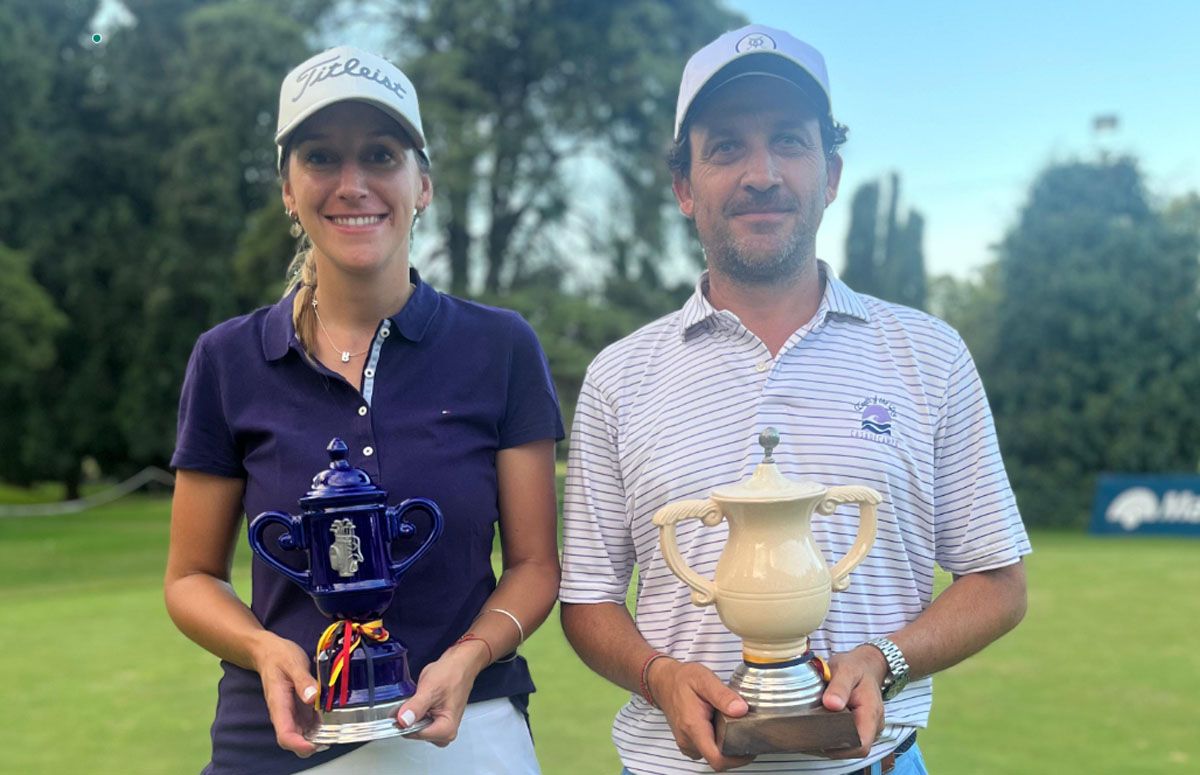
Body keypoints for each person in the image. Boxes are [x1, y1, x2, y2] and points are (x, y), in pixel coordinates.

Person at [559, 24, 1030, 775]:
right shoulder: (621, 374)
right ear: (684, 185)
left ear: (831, 171)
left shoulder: (929, 353)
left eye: (789, 141)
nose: (762, 173)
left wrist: (885, 659)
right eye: (726, 148)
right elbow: (587, 600)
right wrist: (661, 676)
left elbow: (999, 582)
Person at [164, 46, 563, 775]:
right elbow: (190, 576)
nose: (353, 185)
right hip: (281, 738)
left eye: (380, 155)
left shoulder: (500, 346)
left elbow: (535, 563)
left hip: (468, 726)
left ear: (423, 183)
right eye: (321, 157)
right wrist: (265, 648)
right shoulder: (227, 359)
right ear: (288, 188)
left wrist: (472, 652)